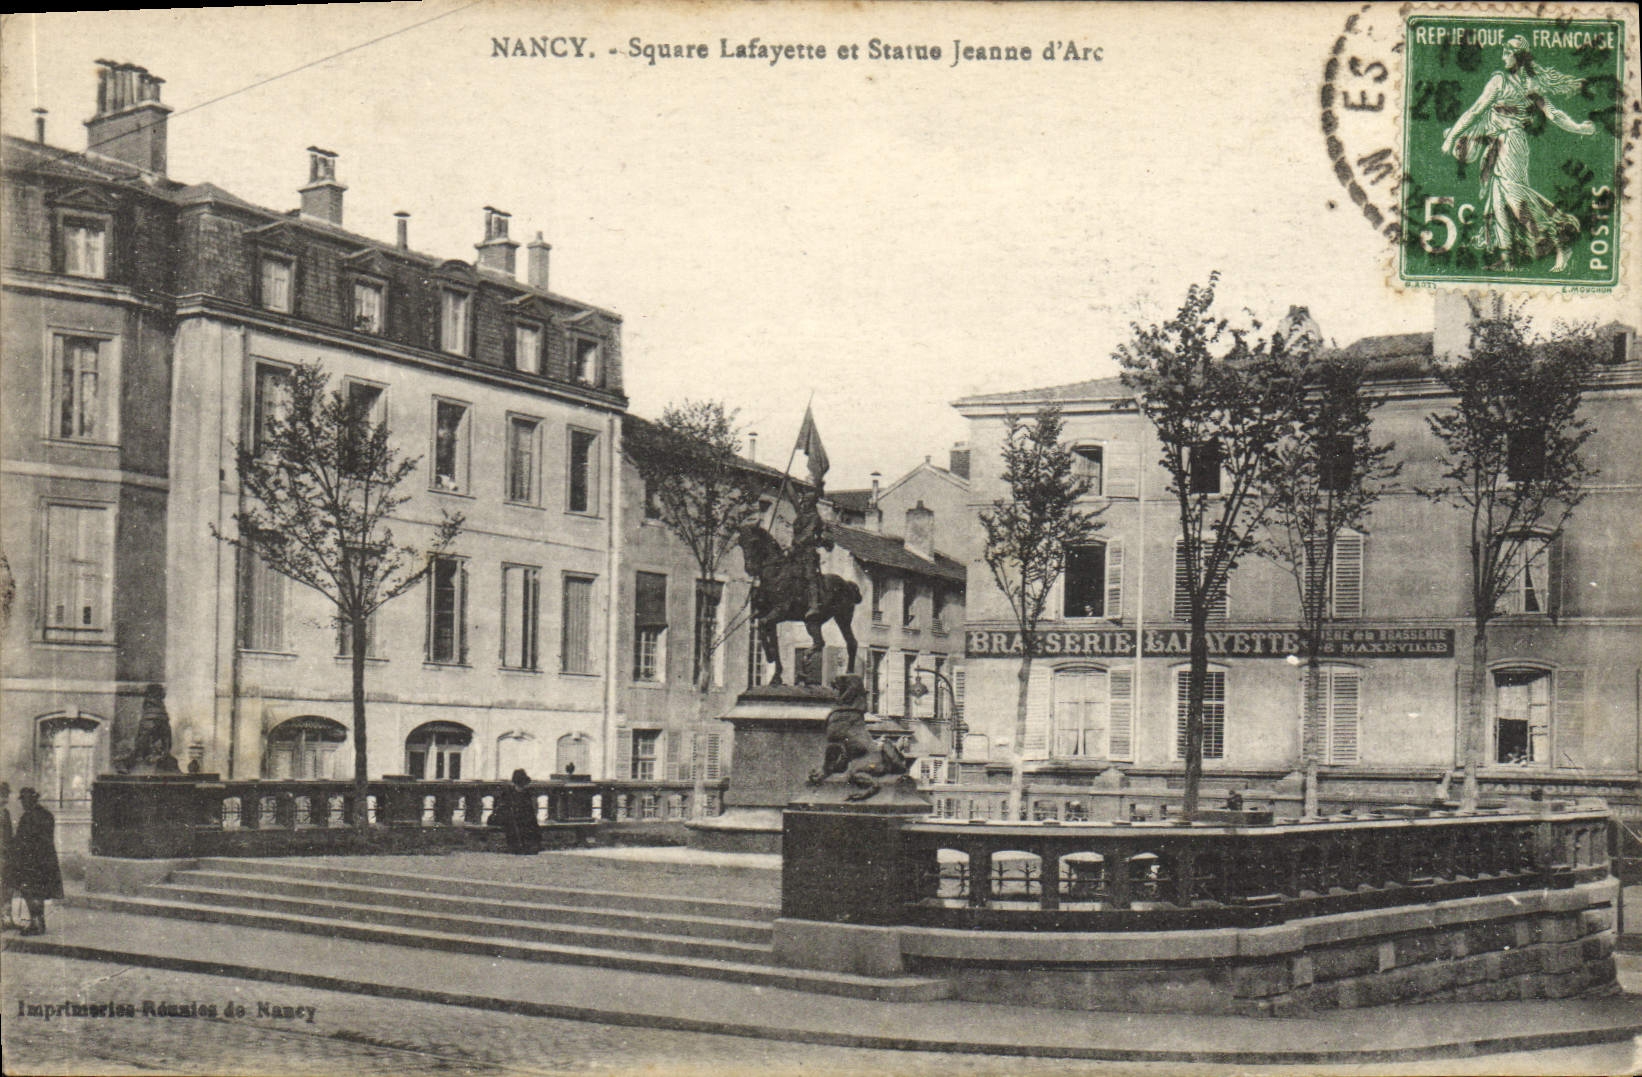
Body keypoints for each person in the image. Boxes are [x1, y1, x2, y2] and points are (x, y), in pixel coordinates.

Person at [1441, 37, 1595, 272]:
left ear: (1519, 56)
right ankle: (1508, 259)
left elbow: (1552, 114)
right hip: (1500, 144)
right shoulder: (1511, 81)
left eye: (1507, 52)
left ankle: (1560, 242)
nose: (1503, 57)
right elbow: (1477, 113)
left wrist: (1579, 128)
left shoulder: (1508, 82)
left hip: (1511, 143)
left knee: (1515, 199)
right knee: (1498, 202)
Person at [7, 788, 63, 936]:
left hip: (31, 862)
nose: (23, 804)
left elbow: (22, 841)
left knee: (31, 892)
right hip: (46, 860)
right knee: (39, 891)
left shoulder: (28, 817)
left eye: (25, 800)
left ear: (31, 800)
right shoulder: (47, 815)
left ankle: (36, 924)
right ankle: (39, 922)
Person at [789, 482, 834, 620]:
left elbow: (808, 534)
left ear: (812, 503)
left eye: (807, 501)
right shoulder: (801, 515)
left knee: (809, 575)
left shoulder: (815, 518)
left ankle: (814, 605)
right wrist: (788, 483)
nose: (804, 503)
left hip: (808, 552)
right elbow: (793, 499)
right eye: (804, 500)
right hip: (795, 551)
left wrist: (797, 542)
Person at [492, 769, 541, 855]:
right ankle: (519, 846)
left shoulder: (526, 794)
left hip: (523, 819)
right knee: (515, 824)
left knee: (529, 824)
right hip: (511, 818)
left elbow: (530, 811)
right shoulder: (508, 794)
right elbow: (503, 808)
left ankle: (529, 846)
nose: (522, 787)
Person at [1, 781, 14, 931]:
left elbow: (8, 836)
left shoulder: (6, 813)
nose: (5, 799)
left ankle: (6, 918)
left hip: (6, 856)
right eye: (2, 795)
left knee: (7, 887)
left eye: (6, 795)